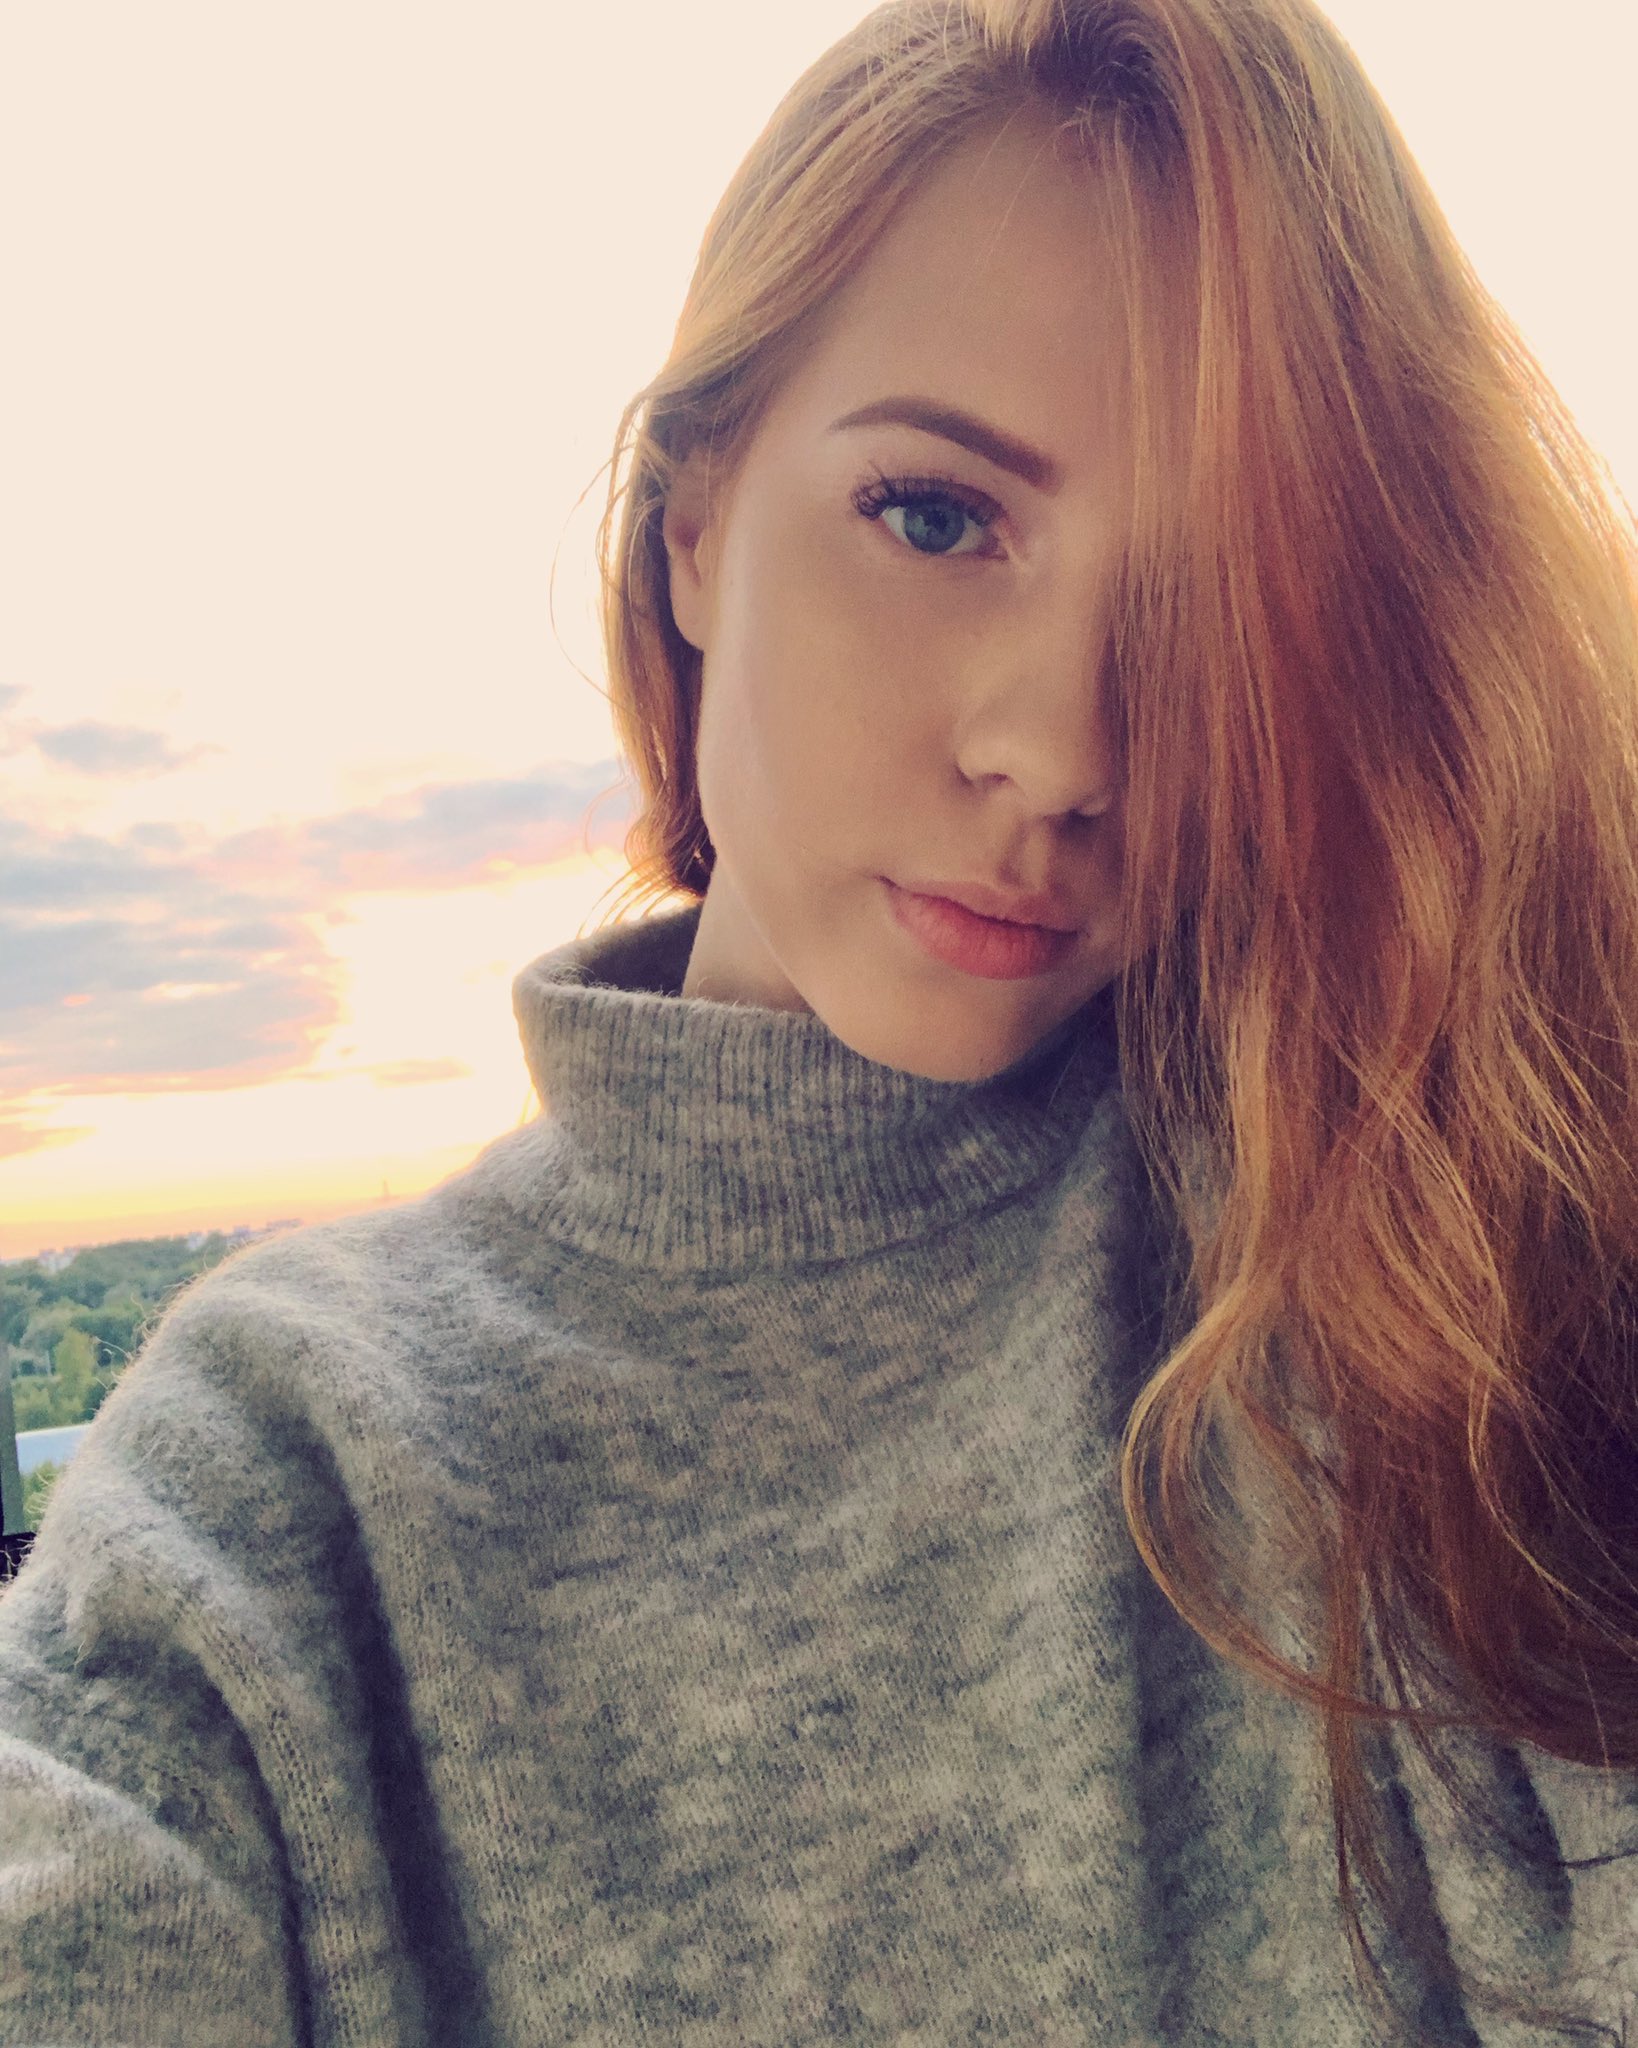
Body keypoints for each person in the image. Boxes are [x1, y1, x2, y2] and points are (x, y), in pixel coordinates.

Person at [3, 0, 1635, 2040]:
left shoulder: (1409, 1259)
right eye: (936, 517)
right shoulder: (274, 1481)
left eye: (1222, 608)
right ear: (694, 523)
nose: (1062, 751)